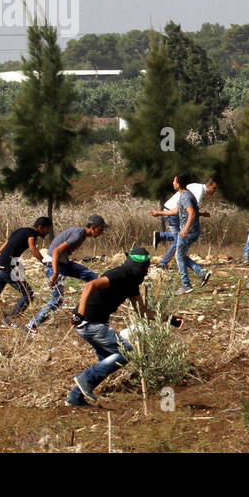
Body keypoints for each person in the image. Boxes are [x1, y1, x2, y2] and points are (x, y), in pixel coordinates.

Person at [66, 247, 182, 407]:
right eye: (144, 268)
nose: (146, 272)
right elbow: (90, 286)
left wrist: (169, 319)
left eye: (147, 267)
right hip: (89, 323)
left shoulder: (132, 284)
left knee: (109, 360)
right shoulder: (119, 275)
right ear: (135, 266)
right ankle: (85, 380)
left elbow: (143, 312)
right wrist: (79, 314)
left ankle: (75, 397)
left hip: (90, 324)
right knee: (126, 352)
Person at [25, 215, 108, 333]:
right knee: (57, 299)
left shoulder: (81, 234)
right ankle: (32, 325)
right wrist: (54, 273)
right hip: (55, 264)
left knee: (92, 277)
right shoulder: (78, 235)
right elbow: (56, 251)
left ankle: (87, 311)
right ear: (93, 228)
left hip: (63, 263)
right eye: (100, 230)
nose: (102, 233)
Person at [0, 216, 51, 326]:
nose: (47, 233)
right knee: (28, 294)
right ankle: (10, 320)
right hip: (7, 269)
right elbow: (32, 248)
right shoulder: (32, 234)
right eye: (47, 229)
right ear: (40, 227)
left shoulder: (19, 230)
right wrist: (45, 262)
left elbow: (1, 249)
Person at [152, 176, 216, 268]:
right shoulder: (199, 192)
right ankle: (163, 263)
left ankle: (161, 236)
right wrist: (189, 226)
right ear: (208, 186)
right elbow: (192, 211)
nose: (214, 191)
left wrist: (201, 214)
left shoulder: (196, 186)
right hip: (172, 212)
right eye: (214, 188)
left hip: (172, 210)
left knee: (179, 237)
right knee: (178, 240)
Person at [166, 174, 212, 295]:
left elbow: (191, 213)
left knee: (179, 257)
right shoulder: (185, 195)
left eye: (174, 181)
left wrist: (185, 229)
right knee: (181, 255)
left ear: (179, 183)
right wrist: (159, 213)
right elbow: (177, 211)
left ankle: (186, 285)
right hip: (192, 230)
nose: (173, 183)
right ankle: (201, 273)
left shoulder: (185, 196)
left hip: (189, 231)